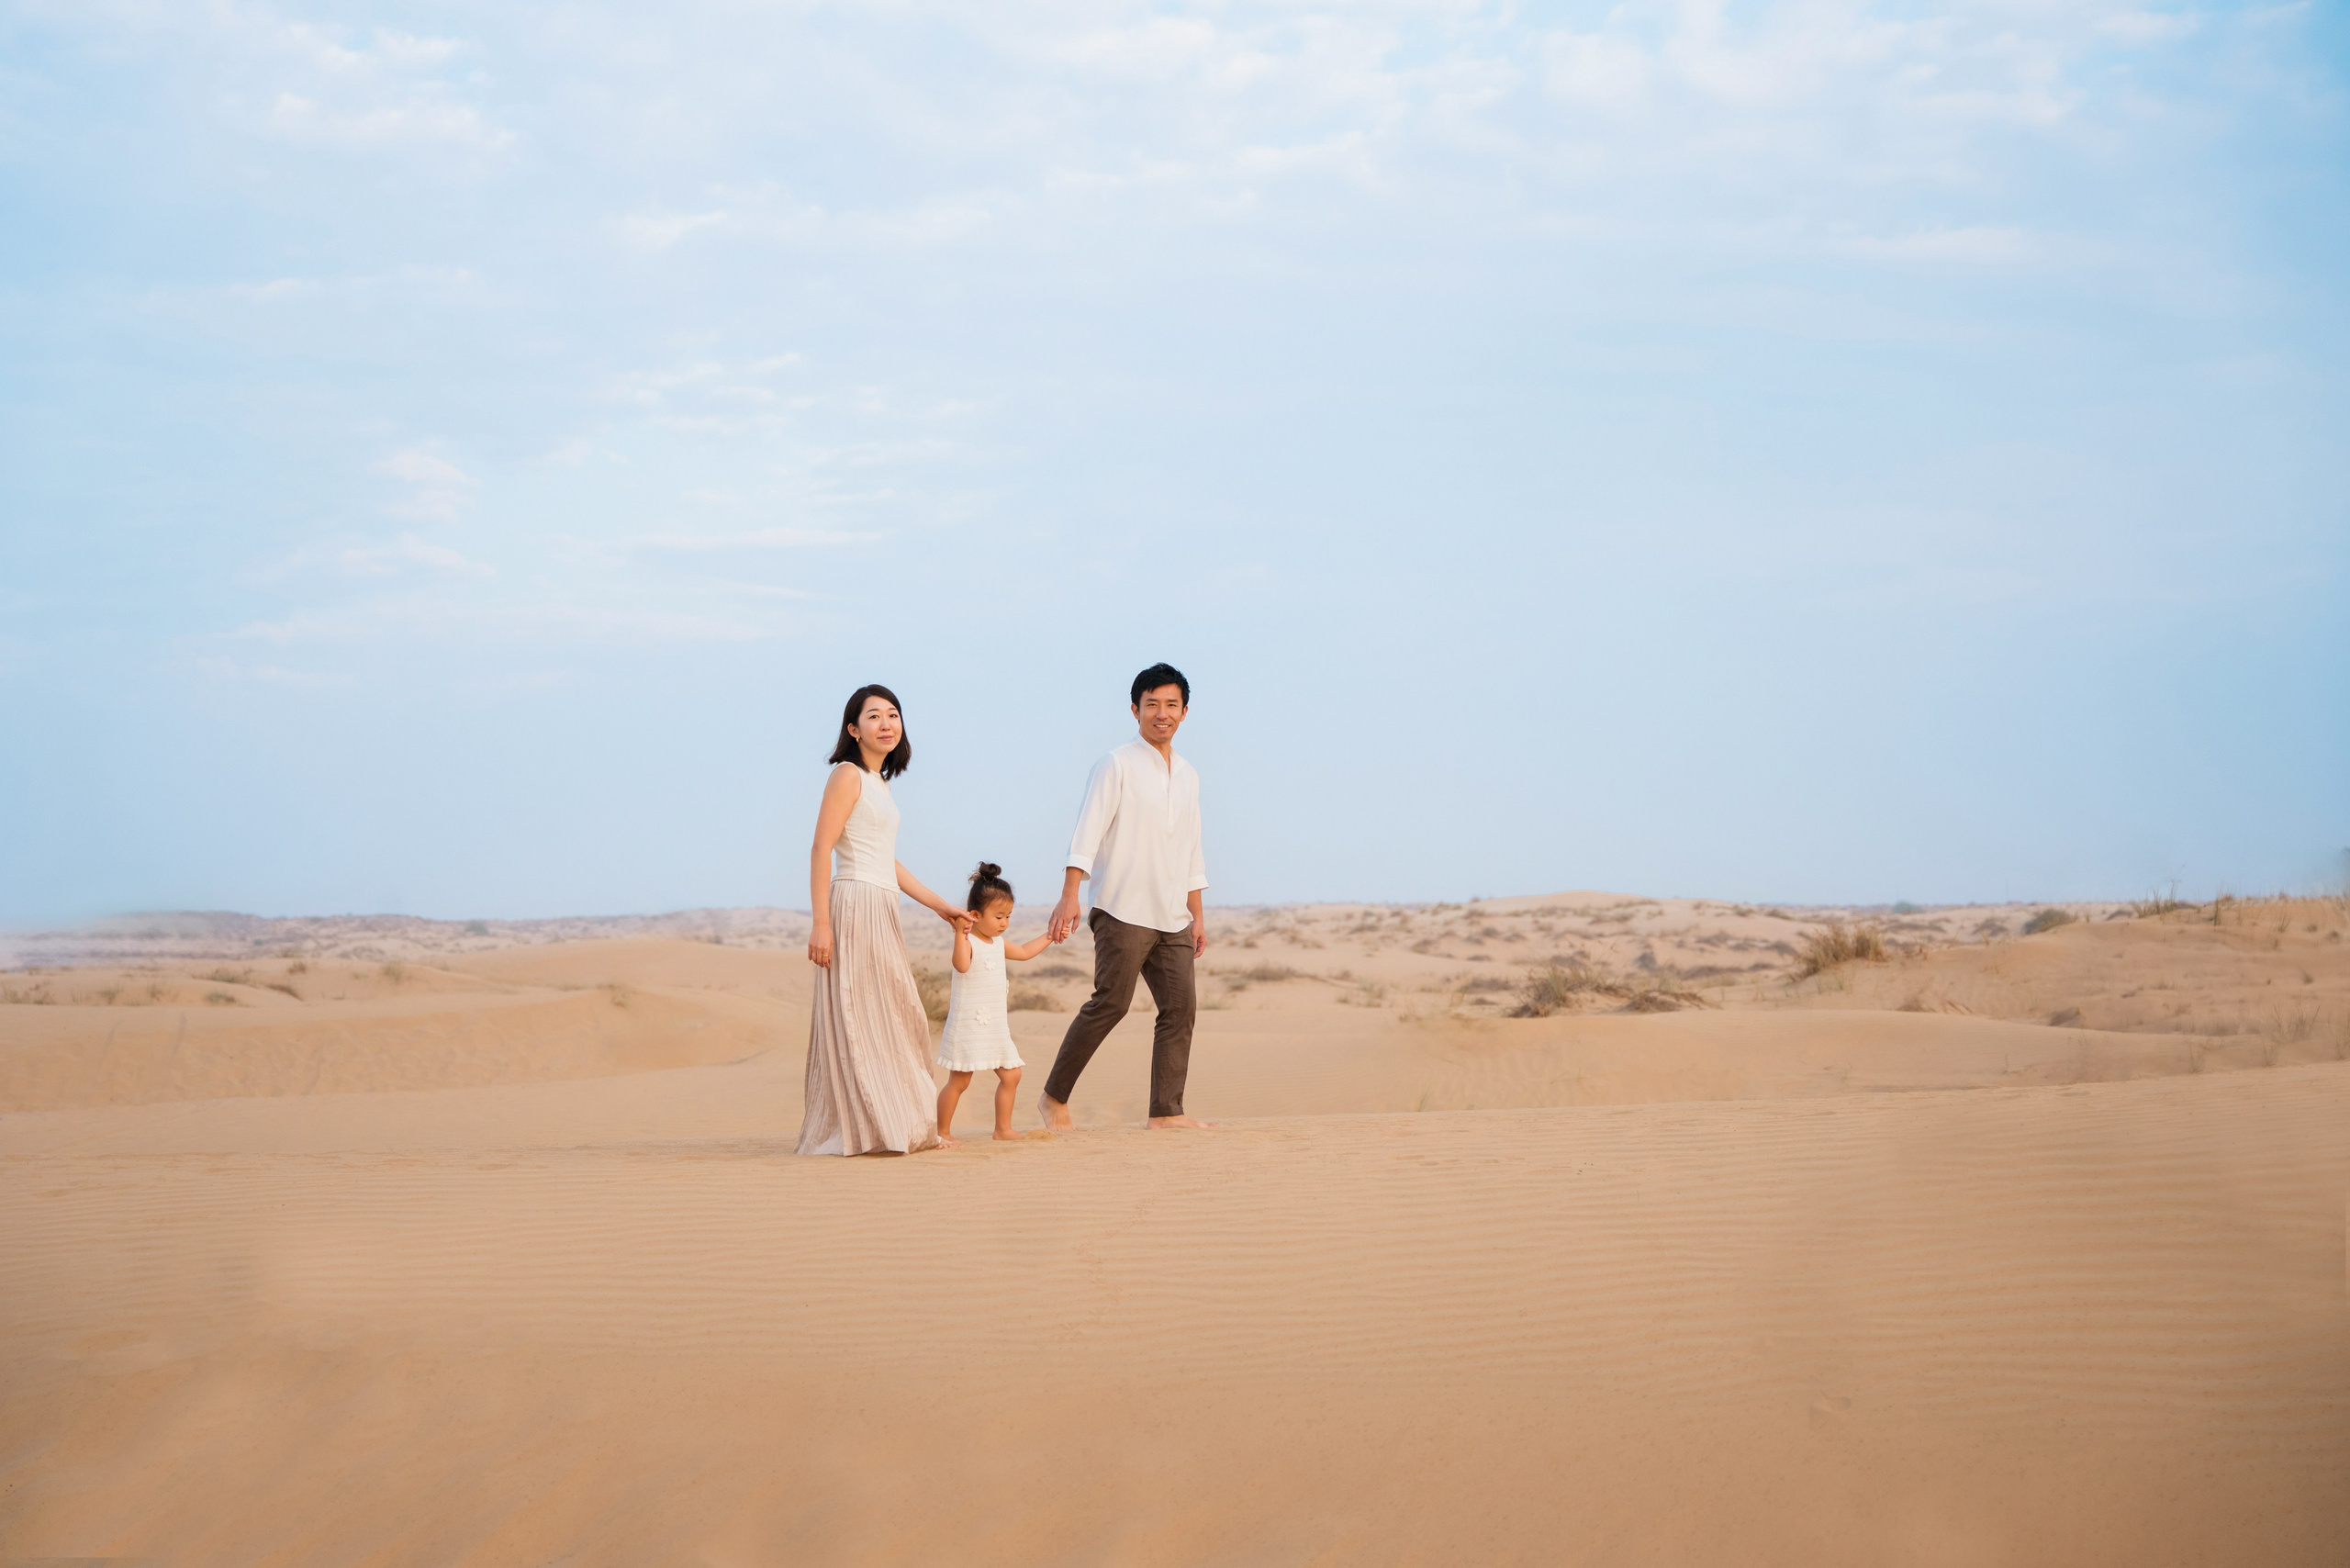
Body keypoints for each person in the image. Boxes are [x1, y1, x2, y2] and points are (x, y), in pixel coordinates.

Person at [797, 684, 970, 1157]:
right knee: (865, 1013)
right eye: (874, 716)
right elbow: (821, 849)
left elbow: (888, 860)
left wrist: (940, 906)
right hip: (852, 904)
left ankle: (895, 1123)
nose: (886, 723)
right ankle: (877, 1126)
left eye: (893, 714)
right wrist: (821, 924)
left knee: (896, 1012)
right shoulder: (847, 775)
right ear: (854, 729)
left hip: (882, 904)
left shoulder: (880, 784)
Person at [1038, 663, 1212, 1132]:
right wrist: (1071, 894)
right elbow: (1087, 831)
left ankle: (1166, 1113)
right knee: (1110, 1004)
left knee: (1181, 1009)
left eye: (1171, 705)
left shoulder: (1191, 775)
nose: (1162, 714)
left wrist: (1197, 915)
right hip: (1122, 907)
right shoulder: (1115, 763)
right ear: (1135, 710)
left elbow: (1191, 849)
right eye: (1152, 704)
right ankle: (1054, 1098)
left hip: (1174, 914)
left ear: (1185, 712)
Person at [934, 862, 1062, 1145]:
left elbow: (1027, 952)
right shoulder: (968, 941)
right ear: (975, 915)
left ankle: (1002, 1129)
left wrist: (1050, 936)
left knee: (1012, 1075)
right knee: (960, 1081)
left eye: (1008, 917)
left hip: (995, 1027)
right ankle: (942, 1132)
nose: (1004, 923)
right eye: (999, 916)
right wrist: (959, 933)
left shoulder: (999, 945)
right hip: (969, 1024)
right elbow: (961, 966)